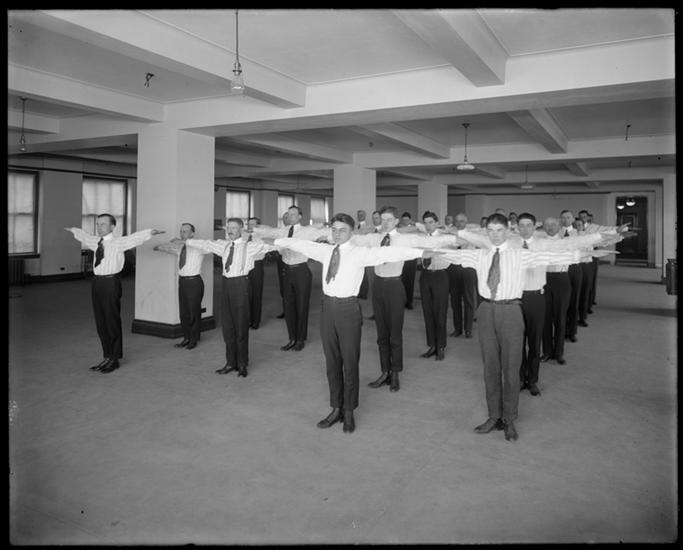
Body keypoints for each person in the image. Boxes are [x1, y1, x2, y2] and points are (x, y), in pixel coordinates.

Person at [273, 212, 434, 433]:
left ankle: (349, 411)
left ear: (351, 233)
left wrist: (420, 252)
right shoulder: (325, 251)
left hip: (348, 310)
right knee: (332, 362)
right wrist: (277, 241)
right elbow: (300, 244)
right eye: (334, 230)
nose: (337, 234)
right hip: (327, 309)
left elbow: (389, 252)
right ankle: (336, 407)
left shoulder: (359, 253)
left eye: (343, 230)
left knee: (349, 363)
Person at [438, 213, 588, 441]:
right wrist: (423, 249)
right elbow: (445, 253)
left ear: (508, 231)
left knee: (511, 368)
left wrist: (593, 246)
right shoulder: (479, 254)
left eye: (499, 230)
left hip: (511, 311)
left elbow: (560, 252)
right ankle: (494, 416)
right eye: (491, 231)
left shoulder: (520, 254)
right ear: (486, 232)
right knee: (490, 367)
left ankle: (509, 418)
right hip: (486, 310)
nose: (495, 235)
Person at [65, 214, 164, 373]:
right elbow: (85, 236)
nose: (99, 227)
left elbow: (135, 238)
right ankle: (107, 356)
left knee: (111, 320)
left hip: (111, 283)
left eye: (103, 224)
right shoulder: (96, 242)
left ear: (112, 227)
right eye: (98, 224)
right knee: (101, 321)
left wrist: (150, 232)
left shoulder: (118, 243)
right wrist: (73, 230)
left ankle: (115, 358)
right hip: (97, 283)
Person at [187, 218, 271, 377]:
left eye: (234, 228)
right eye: (228, 227)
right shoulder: (224, 245)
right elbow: (206, 244)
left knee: (241, 325)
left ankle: (242, 363)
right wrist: (187, 241)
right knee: (228, 327)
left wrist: (282, 241)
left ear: (241, 230)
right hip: (226, 285)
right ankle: (230, 362)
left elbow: (270, 246)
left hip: (241, 285)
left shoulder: (249, 246)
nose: (230, 230)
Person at [153, 222, 209, 349]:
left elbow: (207, 245)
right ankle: (186, 337)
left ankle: (194, 339)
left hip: (194, 282)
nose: (182, 234)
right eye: (181, 231)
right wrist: (158, 247)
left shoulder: (199, 247)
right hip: (182, 282)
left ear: (192, 234)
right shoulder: (180, 248)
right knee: (184, 312)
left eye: (185, 231)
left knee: (193, 311)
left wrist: (185, 242)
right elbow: (169, 249)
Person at [418, 211, 451, 360]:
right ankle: (432, 345)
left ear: (437, 223)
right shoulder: (422, 238)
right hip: (425, 276)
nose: (428, 225)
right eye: (426, 222)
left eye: (431, 222)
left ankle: (441, 346)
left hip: (440, 275)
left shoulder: (444, 239)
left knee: (440, 312)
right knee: (428, 312)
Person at [447, 213, 478, 339]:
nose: (459, 223)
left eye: (462, 221)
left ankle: (468, 329)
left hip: (468, 269)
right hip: (453, 268)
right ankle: (458, 329)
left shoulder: (472, 235)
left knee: (469, 300)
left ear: (466, 222)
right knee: (455, 301)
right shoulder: (450, 234)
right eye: (457, 221)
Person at [559, 209, 581, 343]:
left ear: (573, 219)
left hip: (573, 268)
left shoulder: (578, 233)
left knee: (574, 300)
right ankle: (561, 331)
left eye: (568, 217)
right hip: (561, 268)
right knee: (561, 303)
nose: (565, 220)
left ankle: (572, 331)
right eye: (563, 217)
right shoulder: (557, 233)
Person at [247, 217, 265, 329]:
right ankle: (248, 319)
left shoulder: (261, 238)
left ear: (258, 226)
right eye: (249, 224)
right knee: (246, 294)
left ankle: (255, 321)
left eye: (253, 224)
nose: (250, 226)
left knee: (256, 294)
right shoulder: (244, 236)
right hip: (245, 266)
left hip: (256, 266)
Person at [399, 211, 417, 309]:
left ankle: (409, 302)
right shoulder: (400, 229)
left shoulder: (414, 229)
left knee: (410, 281)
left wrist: (413, 223)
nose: (405, 221)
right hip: (401, 258)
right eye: (404, 220)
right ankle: (401, 301)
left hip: (411, 258)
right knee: (401, 281)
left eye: (407, 220)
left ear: (410, 220)